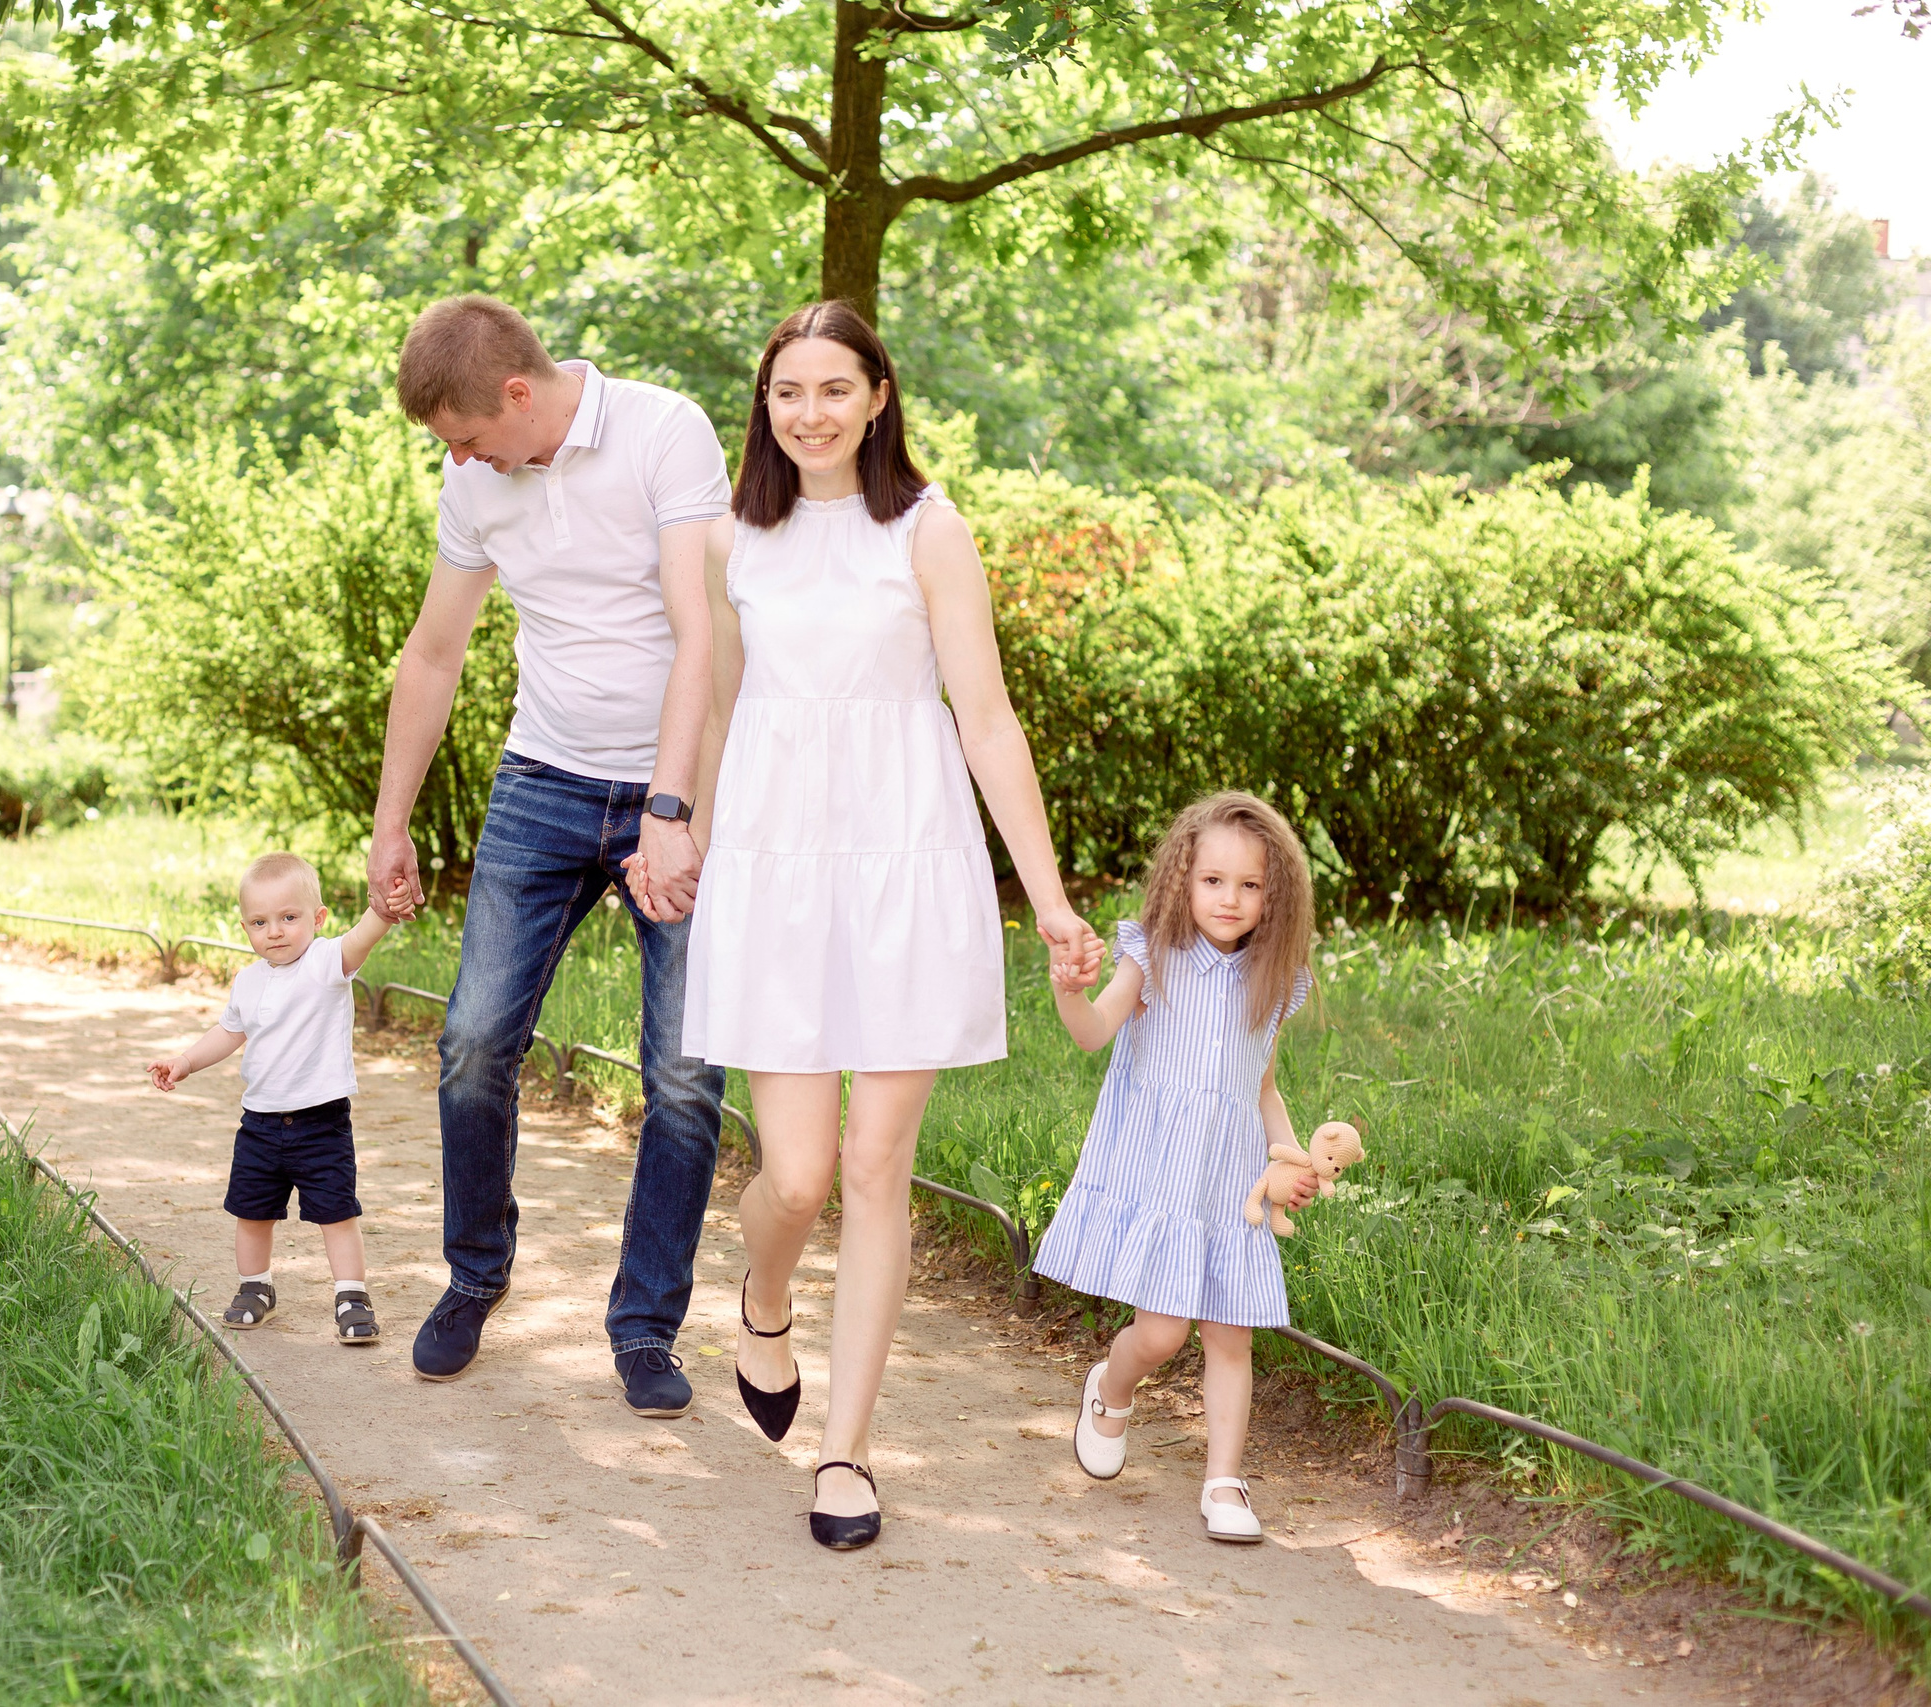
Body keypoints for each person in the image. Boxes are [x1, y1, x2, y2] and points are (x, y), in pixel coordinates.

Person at [647, 300, 1095, 1551]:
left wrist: (1046, 897)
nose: (810, 413)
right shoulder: (734, 539)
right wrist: (686, 828)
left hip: (908, 865)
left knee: (872, 1169)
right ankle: (766, 1293)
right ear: (765, 404)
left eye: (834, 388)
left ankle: (846, 1454)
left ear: (879, 394)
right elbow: (725, 710)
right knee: (792, 1177)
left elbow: (986, 718)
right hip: (778, 872)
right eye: (788, 392)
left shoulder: (927, 528)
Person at [369, 295, 730, 1416]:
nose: (460, 459)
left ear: (518, 394)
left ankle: (644, 1328)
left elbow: (700, 628)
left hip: (682, 787)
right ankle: (475, 1275)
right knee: (473, 1041)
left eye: (467, 437)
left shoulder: (666, 430)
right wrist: (391, 823)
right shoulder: (479, 480)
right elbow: (434, 654)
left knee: (680, 1073)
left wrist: (675, 808)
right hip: (544, 780)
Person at [1031, 791, 1323, 1544]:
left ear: (1275, 895)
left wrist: (1288, 1158)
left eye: (1251, 885)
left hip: (1229, 1183)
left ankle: (1224, 1480)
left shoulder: (1273, 981)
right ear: (1182, 881)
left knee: (1232, 1332)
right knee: (1160, 1333)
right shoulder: (1151, 956)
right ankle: (1112, 1386)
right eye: (1214, 880)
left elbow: (1261, 1084)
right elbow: (1095, 1031)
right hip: (1162, 1175)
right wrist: (1071, 992)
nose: (1231, 898)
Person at [147, 852, 403, 1345]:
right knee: (252, 1211)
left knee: (337, 1213)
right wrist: (184, 1062)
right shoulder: (248, 980)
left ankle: (352, 1294)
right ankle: (255, 1287)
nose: (276, 931)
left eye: (290, 918)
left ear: (317, 918)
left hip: (321, 1122)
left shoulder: (327, 962)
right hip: (261, 1124)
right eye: (261, 922)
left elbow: (362, 938)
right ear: (245, 927)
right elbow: (227, 1033)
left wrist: (383, 910)